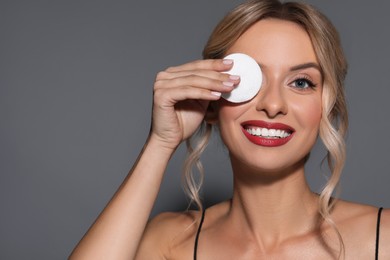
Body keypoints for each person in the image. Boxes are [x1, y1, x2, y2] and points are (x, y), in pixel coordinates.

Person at [70, 0, 389, 259]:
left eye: (301, 82)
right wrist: (161, 143)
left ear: (328, 107)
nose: (273, 104)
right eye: (251, 80)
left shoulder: (383, 239)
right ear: (211, 100)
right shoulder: (169, 243)